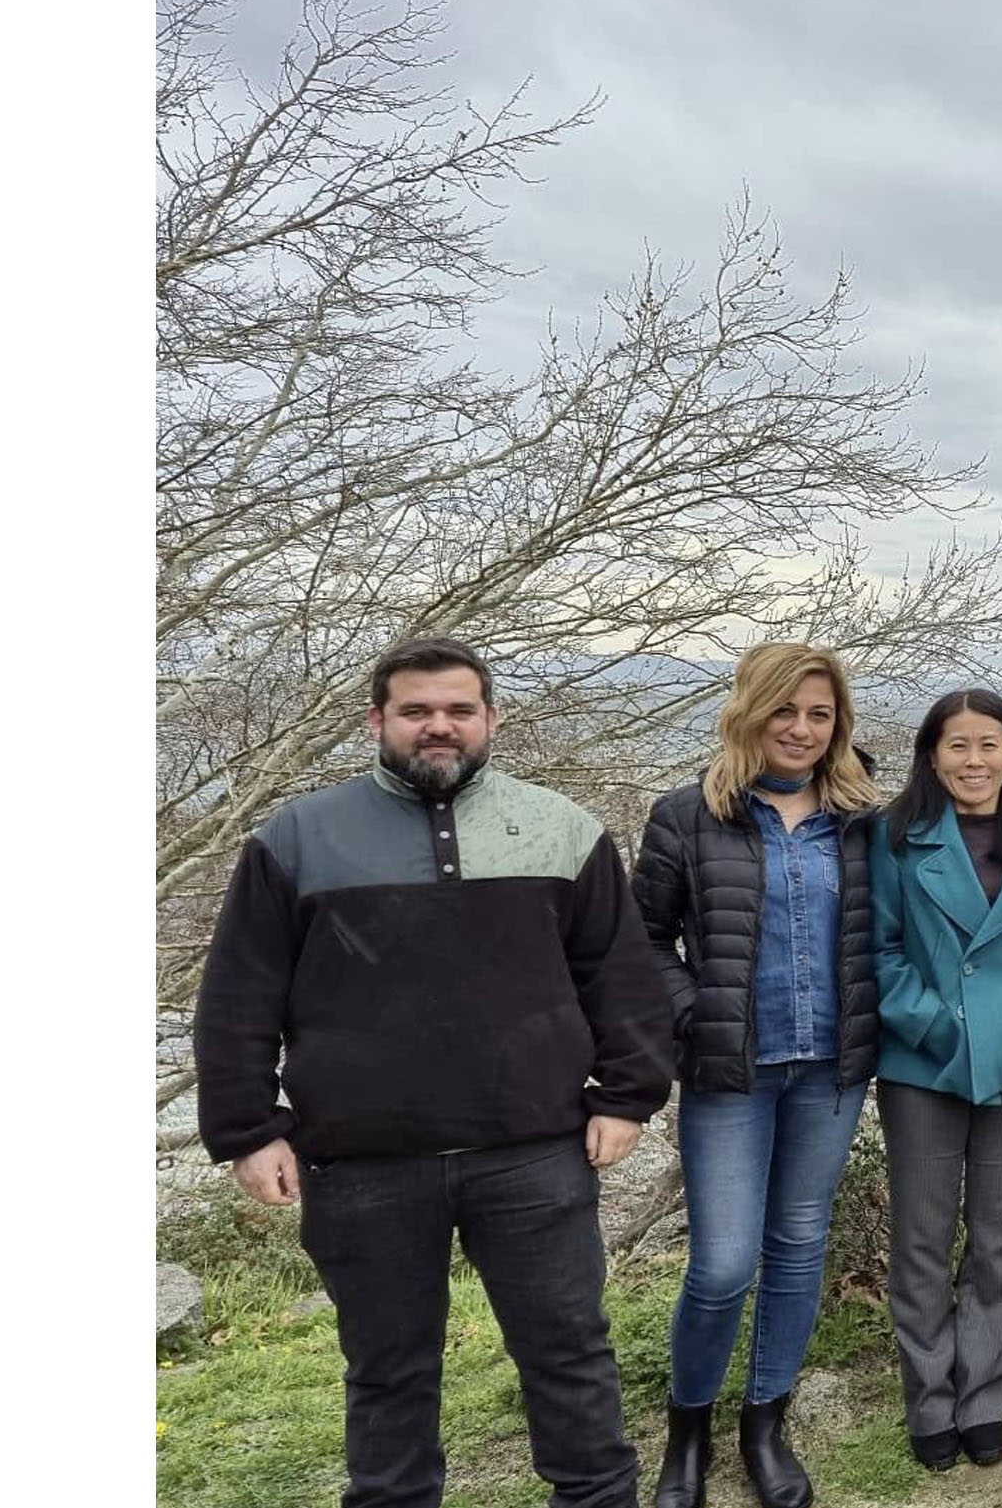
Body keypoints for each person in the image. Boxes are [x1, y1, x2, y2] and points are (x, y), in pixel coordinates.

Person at [194, 639, 672, 1508]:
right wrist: (249, 1126)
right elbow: (237, 995)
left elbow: (620, 974)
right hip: (363, 1163)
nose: (438, 726)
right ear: (378, 719)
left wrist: (628, 1093)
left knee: (568, 1352)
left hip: (534, 1151)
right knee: (387, 1373)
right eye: (417, 711)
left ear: (492, 718)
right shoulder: (298, 836)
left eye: (458, 709)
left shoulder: (562, 828)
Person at [634, 644, 883, 1508]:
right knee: (722, 1264)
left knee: (797, 1250)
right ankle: (687, 1434)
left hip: (831, 1069)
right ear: (749, 711)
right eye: (786, 711)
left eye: (819, 715)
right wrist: (691, 1012)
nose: (802, 730)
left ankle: (766, 1424)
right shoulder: (684, 817)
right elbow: (643, 939)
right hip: (729, 1072)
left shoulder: (861, 819)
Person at [867, 690, 1002, 1472]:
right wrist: (930, 1020)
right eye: (957, 745)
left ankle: (983, 1398)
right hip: (924, 1059)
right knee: (922, 1240)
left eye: (988, 744)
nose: (973, 761)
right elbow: (878, 950)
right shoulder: (893, 836)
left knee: (999, 1238)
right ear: (931, 754)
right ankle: (928, 1401)